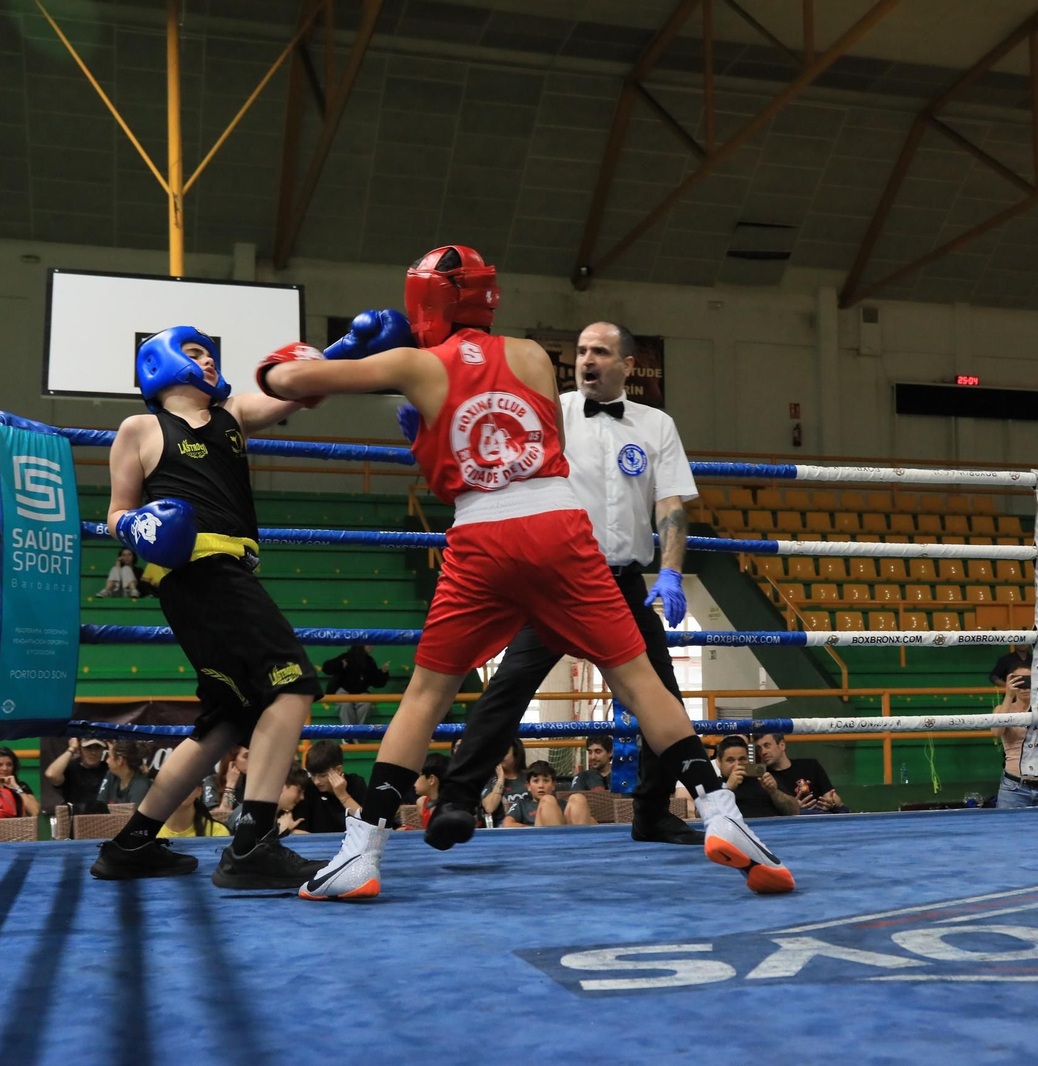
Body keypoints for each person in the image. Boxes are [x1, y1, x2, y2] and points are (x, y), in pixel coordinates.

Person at [256, 245, 792, 898]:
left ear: (428, 302)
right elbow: (541, 445)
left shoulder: (415, 363)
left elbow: (283, 385)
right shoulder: (535, 356)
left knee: (427, 694)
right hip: (561, 527)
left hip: (483, 533)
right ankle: (723, 816)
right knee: (639, 678)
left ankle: (361, 855)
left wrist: (330, 356)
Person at [419, 320, 705, 846]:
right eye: (581, 351)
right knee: (509, 688)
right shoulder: (551, 413)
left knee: (661, 693)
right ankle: (456, 800)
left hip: (620, 582)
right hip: (558, 578)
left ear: (628, 365)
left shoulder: (657, 425)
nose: (587, 360)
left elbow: (670, 504)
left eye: (600, 351)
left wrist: (669, 569)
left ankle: (651, 810)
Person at [89, 326, 327, 889]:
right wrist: (142, 524)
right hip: (197, 574)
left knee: (227, 721)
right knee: (292, 685)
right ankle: (253, 845)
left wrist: (338, 355)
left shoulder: (235, 413)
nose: (208, 360)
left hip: (226, 576)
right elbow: (117, 511)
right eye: (194, 351)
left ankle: (132, 844)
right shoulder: (140, 428)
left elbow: (295, 390)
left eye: (210, 352)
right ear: (161, 363)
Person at [989, 667, 1038, 809]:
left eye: (1029, 682)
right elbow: (996, 732)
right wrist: (1008, 695)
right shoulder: (1002, 710)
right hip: (1013, 787)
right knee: (1010, 830)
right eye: (1019, 682)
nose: (1025, 688)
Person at [754, 732, 845, 813]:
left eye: (767, 746)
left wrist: (831, 802)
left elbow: (835, 798)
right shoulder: (763, 778)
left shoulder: (810, 765)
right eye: (759, 748)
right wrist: (794, 808)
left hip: (822, 817)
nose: (763, 752)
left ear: (782, 745)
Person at [714, 736, 796, 818]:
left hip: (771, 828)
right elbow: (704, 815)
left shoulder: (763, 779)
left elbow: (794, 810)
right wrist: (727, 789)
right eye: (730, 760)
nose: (737, 765)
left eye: (742, 759)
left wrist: (774, 792)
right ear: (719, 762)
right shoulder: (714, 785)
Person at [298, 740, 369, 833]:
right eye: (313, 775)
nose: (316, 781)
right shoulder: (308, 788)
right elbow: (297, 829)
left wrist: (343, 796)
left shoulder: (356, 783)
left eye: (323, 775)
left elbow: (368, 824)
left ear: (338, 769)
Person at [320, 644, 390, 726]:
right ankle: (349, 735)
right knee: (345, 705)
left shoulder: (370, 661)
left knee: (366, 704)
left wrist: (382, 672)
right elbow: (326, 668)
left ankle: (357, 733)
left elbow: (376, 682)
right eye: (368, 644)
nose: (371, 646)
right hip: (344, 691)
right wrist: (340, 665)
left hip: (361, 693)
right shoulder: (346, 657)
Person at [479, 738, 531, 828]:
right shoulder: (490, 779)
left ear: (516, 754)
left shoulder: (530, 777)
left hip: (531, 821)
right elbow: (489, 808)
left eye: (505, 752)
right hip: (504, 826)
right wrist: (500, 779)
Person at [44, 737, 109, 807]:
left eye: (97, 747)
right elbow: (51, 775)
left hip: (105, 815)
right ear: (80, 749)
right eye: (88, 748)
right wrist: (72, 748)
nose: (93, 752)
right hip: (76, 814)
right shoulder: (71, 769)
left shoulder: (109, 770)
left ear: (103, 749)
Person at [502, 760, 563, 827]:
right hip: (534, 836)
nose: (541, 786)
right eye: (536, 781)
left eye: (546, 781)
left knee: (575, 798)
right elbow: (507, 824)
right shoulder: (521, 804)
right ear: (528, 786)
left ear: (553, 785)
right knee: (547, 799)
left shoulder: (563, 804)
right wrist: (534, 829)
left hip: (563, 835)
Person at [96, 741, 153, 806]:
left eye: (109, 757)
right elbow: (100, 806)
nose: (107, 761)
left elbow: (135, 815)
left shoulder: (140, 786)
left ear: (119, 760)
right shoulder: (111, 775)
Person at [158, 788, 231, 839]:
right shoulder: (149, 832)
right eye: (173, 783)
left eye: (187, 783)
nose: (180, 788)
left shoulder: (217, 832)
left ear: (199, 790)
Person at [411, 752, 448, 829]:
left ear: (431, 779)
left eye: (418, 775)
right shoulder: (421, 803)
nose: (414, 780)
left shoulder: (455, 805)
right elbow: (424, 833)